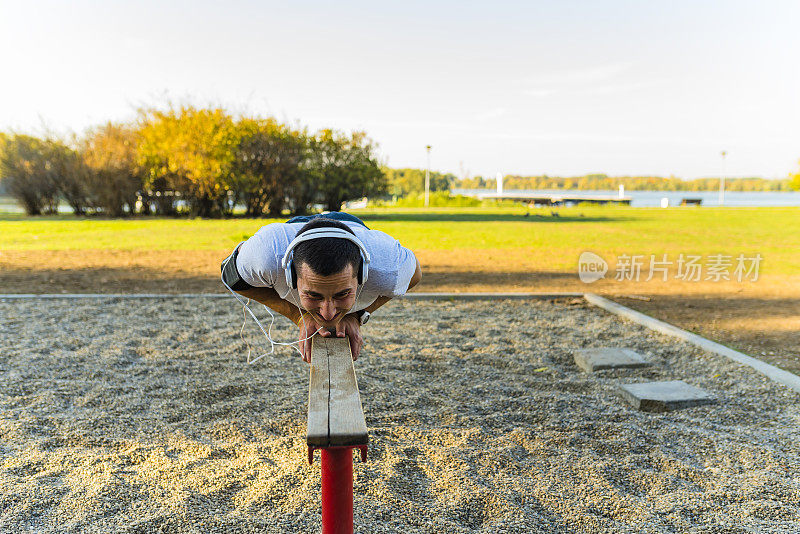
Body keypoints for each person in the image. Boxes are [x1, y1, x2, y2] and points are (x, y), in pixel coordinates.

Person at [220, 212, 422, 363]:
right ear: (290, 276)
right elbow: (230, 277)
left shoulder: (388, 268)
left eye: (342, 293)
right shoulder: (267, 257)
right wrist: (299, 316)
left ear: (363, 275)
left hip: (355, 226)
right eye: (313, 295)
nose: (328, 314)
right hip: (297, 226)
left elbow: (416, 275)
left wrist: (358, 314)